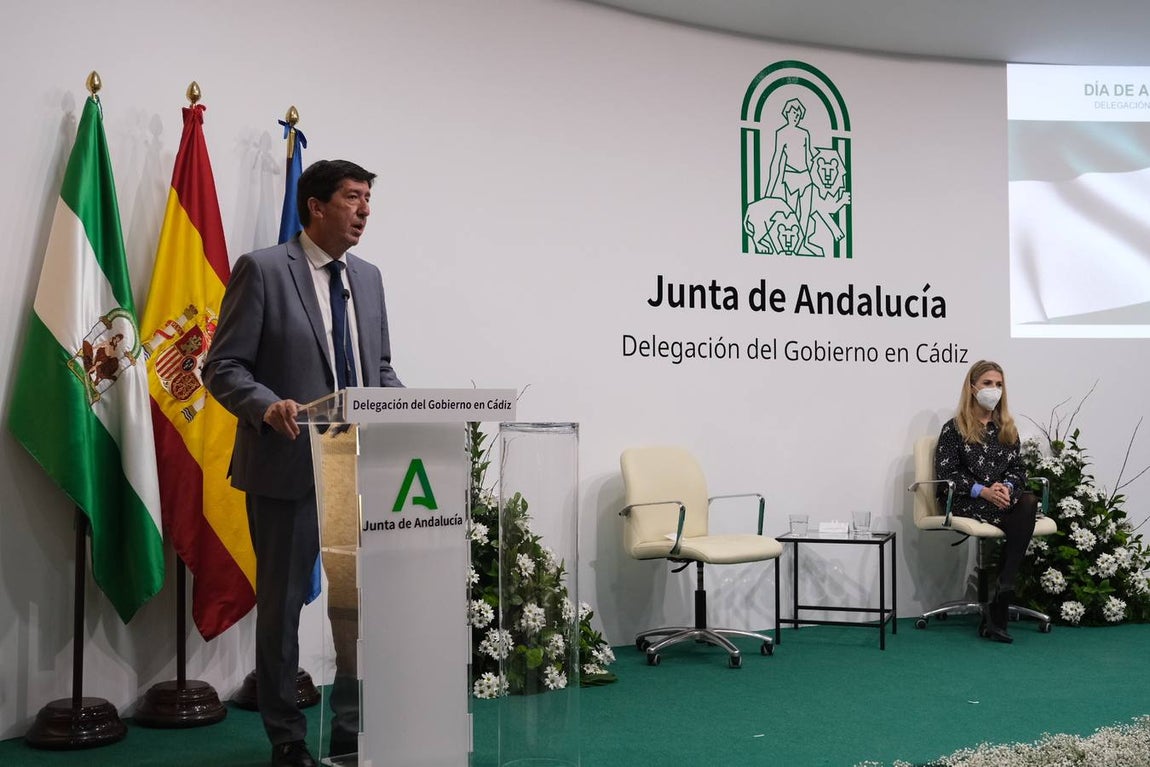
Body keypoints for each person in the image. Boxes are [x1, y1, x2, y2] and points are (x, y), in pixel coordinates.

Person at [204, 159, 403, 767]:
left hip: (356, 469)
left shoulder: (367, 279)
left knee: (358, 611)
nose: (365, 209)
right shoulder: (263, 270)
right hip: (287, 467)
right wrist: (266, 408)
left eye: (369, 198)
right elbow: (223, 367)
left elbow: (381, 371)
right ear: (315, 206)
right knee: (283, 609)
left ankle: (350, 730)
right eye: (352, 197)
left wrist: (410, 410)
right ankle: (287, 738)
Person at [934, 360, 1038, 644]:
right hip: (964, 499)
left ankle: (1001, 592)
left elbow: (1018, 471)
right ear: (972, 388)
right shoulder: (954, 428)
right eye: (988, 384)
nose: (994, 390)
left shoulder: (1007, 428)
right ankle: (1000, 602)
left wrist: (1006, 488)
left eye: (999, 385)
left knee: (1027, 501)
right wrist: (983, 490)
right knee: (1022, 510)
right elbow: (947, 475)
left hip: (1000, 501)